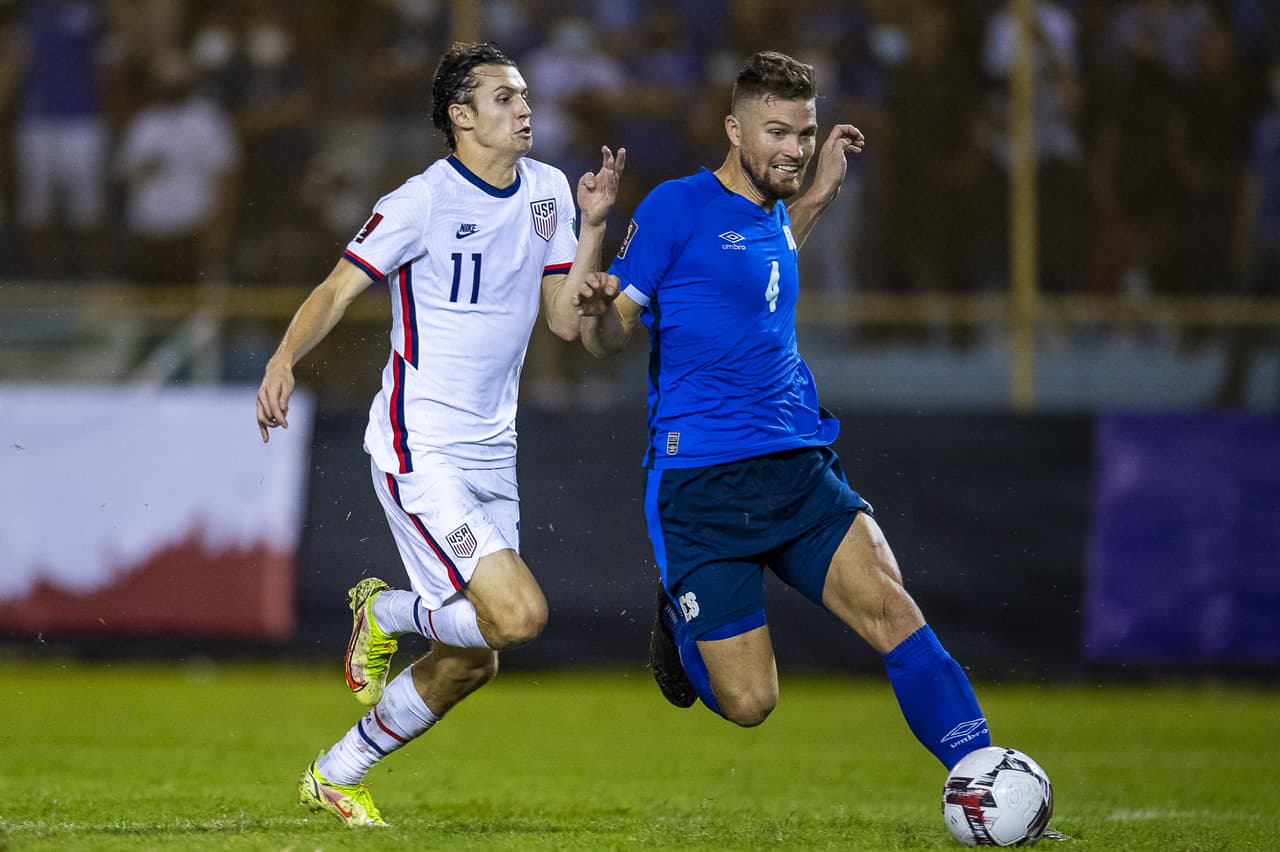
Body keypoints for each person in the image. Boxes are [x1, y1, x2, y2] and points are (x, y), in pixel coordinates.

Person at [579, 51, 990, 772]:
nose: (795, 149)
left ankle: (981, 776)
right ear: (734, 130)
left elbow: (766, 256)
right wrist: (597, 308)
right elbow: (607, 337)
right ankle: (678, 615)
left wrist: (820, 193)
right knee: (750, 702)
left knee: (894, 612)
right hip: (703, 483)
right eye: (777, 133)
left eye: (804, 133)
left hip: (798, 465)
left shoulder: (773, 210)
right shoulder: (677, 207)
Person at [255, 41, 624, 827]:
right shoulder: (420, 200)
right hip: (419, 444)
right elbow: (336, 289)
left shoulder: (549, 191)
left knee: (473, 663)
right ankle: (388, 613)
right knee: (518, 617)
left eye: (524, 96)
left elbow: (565, 324)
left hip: (495, 450)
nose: (524, 108)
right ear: (461, 116)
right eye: (504, 98)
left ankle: (335, 773)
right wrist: (284, 358)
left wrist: (593, 227)